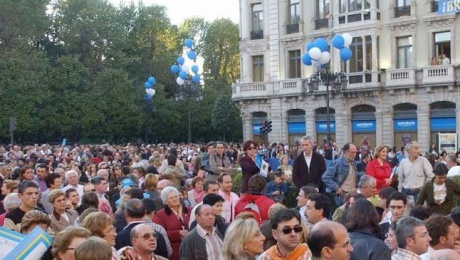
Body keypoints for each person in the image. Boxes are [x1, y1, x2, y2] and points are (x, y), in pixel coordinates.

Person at [153, 186, 191, 260]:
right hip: (174, 250)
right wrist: (178, 233)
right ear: (166, 201)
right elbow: (160, 234)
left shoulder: (189, 210)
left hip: (191, 246)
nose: (175, 199)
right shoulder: (160, 214)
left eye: (176, 196)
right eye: (171, 198)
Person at [322, 143, 362, 208]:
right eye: (352, 153)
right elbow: (325, 177)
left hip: (353, 194)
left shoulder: (353, 162)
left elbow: (351, 175)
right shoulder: (338, 162)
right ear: (346, 152)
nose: (354, 155)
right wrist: (337, 188)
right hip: (343, 196)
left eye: (355, 152)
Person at [397, 141, 433, 207]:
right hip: (406, 195)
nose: (418, 151)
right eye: (416, 148)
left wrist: (424, 188)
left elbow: (431, 176)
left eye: (419, 148)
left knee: (420, 216)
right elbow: (400, 179)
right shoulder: (403, 162)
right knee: (405, 216)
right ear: (409, 150)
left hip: (420, 195)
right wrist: (400, 192)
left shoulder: (423, 161)